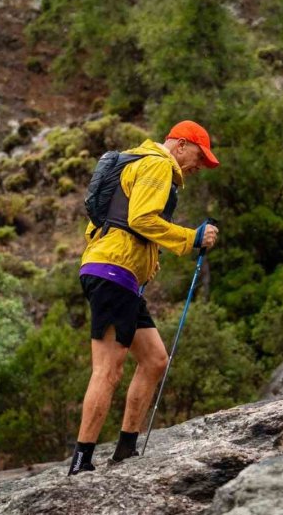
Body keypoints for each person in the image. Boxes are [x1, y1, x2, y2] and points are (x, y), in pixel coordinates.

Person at [68, 120, 220, 476]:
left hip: (117, 274)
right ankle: (81, 461)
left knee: (154, 359)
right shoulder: (156, 163)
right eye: (200, 156)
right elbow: (141, 219)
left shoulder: (139, 163)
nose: (199, 166)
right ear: (181, 144)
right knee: (108, 369)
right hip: (113, 271)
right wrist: (191, 238)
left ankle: (125, 449)